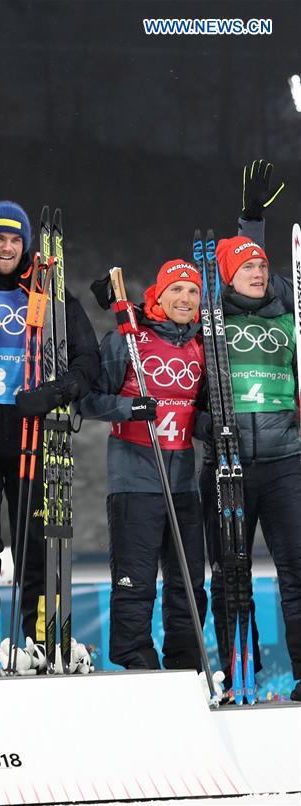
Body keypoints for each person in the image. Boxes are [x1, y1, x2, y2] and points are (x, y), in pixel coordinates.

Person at [0, 201, 100, 674]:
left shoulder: (50, 295)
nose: (7, 247)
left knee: (35, 542)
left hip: (32, 433)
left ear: (25, 246)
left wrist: (55, 392)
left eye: (15, 240)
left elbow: (86, 362)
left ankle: (36, 640)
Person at [200, 161, 299, 701]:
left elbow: (290, 283)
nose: (257, 274)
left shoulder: (288, 316)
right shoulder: (212, 318)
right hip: (229, 462)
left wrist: (254, 227)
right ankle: (242, 676)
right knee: (231, 575)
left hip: (286, 459)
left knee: (298, 572)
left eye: (262, 266)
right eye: (247, 268)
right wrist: (207, 426)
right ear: (228, 278)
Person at [82, 259, 208, 670]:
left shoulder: (203, 343)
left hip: (184, 481)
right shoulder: (128, 339)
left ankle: (186, 662)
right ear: (159, 294)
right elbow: (88, 400)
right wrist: (129, 407)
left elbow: (202, 408)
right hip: (136, 477)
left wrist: (209, 424)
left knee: (188, 584)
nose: (185, 298)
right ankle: (135, 658)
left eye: (192, 291)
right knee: (135, 583)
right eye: (176, 290)